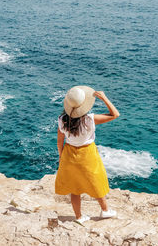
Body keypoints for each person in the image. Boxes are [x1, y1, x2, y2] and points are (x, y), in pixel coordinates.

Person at [55, 85, 120, 224]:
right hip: (87, 153)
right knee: (96, 181)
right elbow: (115, 114)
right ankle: (105, 211)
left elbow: (60, 142)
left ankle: (78, 217)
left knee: (74, 187)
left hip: (69, 154)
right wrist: (104, 98)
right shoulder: (90, 119)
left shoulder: (62, 120)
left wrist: (61, 157)